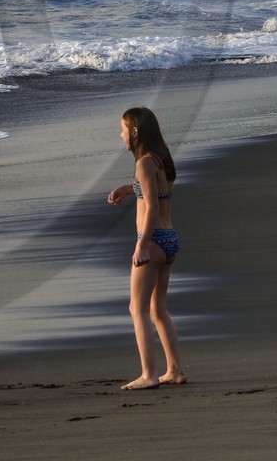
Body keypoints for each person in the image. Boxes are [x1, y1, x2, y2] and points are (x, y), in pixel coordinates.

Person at [107, 106, 186, 390]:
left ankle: (149, 374)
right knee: (158, 308)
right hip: (170, 239)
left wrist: (141, 245)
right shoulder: (159, 159)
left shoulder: (143, 164)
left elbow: (152, 207)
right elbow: (156, 192)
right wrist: (128, 190)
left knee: (137, 308)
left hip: (152, 242)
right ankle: (174, 369)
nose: (120, 135)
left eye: (123, 129)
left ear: (136, 131)